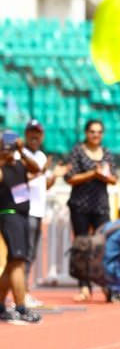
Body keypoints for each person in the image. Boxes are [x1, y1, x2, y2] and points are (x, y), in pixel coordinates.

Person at [65, 118, 118, 301]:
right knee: (82, 247)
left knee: (103, 246)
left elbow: (114, 178)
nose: (95, 135)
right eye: (92, 131)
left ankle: (105, 285)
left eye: (99, 132)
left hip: (100, 206)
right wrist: (92, 174)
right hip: (80, 205)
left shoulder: (107, 153)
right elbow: (70, 177)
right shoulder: (78, 151)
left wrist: (103, 176)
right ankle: (84, 286)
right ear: (86, 133)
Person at [0, 128, 41, 324]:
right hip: (9, 216)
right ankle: (21, 307)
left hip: (22, 216)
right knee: (17, 263)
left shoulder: (19, 163)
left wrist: (22, 151)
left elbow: (36, 169)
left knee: (10, 266)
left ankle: (0, 306)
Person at [21, 119, 53, 307]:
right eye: (31, 132)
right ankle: (22, 293)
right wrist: (41, 172)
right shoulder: (20, 155)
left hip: (38, 210)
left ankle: (24, 290)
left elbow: (44, 184)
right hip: (26, 210)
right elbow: (22, 179)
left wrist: (54, 175)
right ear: (25, 134)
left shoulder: (41, 155)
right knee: (24, 253)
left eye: (38, 133)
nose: (34, 136)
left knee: (31, 253)